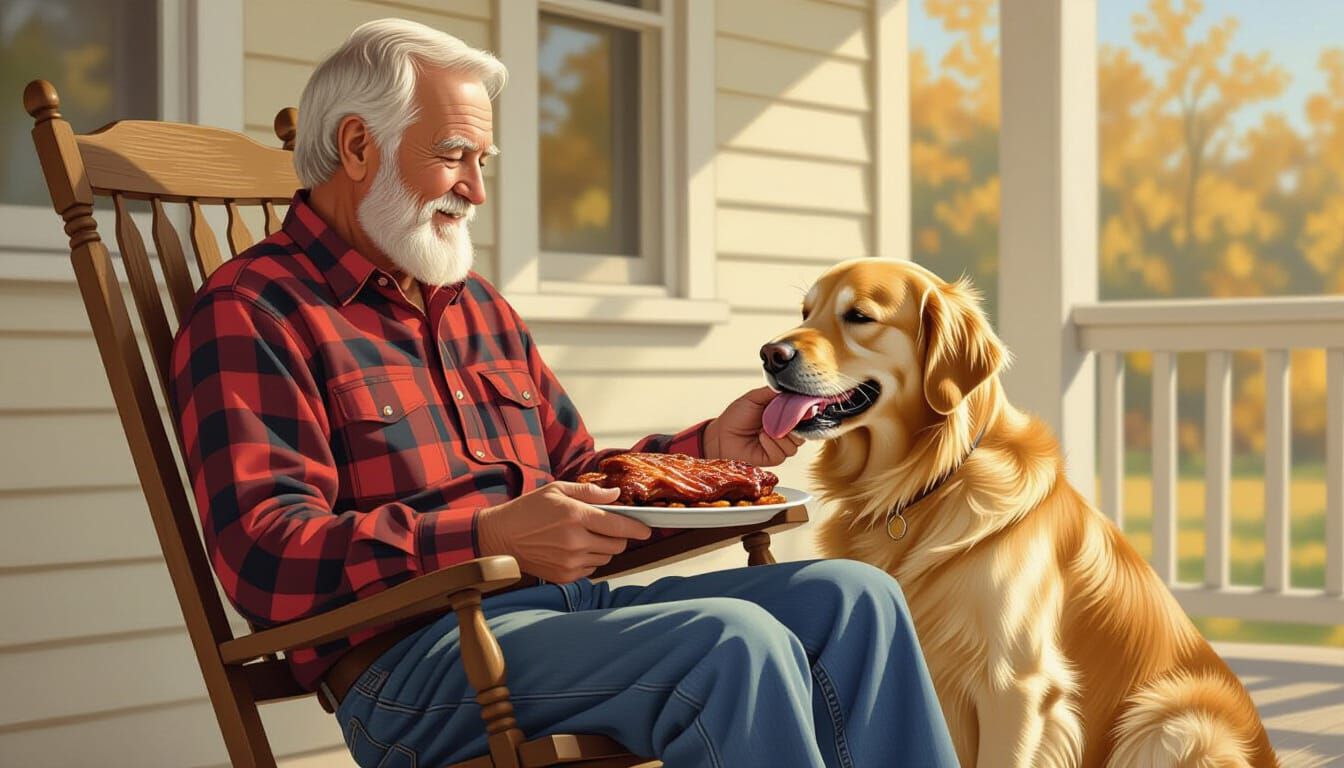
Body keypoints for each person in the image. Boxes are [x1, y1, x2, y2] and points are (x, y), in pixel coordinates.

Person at [169, 18, 956, 768]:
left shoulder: (473, 304)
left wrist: (708, 455)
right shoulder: (253, 311)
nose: (476, 191)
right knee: (733, 642)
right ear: (356, 146)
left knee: (856, 598)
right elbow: (262, 555)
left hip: (559, 622)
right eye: (453, 156)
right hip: (412, 665)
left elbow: (579, 476)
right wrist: (485, 536)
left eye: (485, 160)